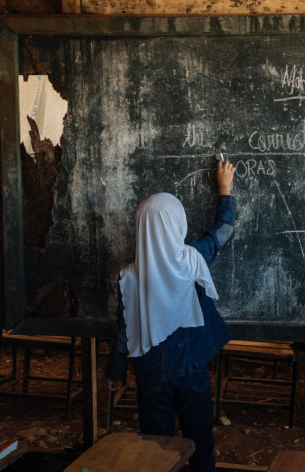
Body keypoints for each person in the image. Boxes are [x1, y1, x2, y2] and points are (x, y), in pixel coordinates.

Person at [105, 159, 237, 472]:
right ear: (177, 223)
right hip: (192, 369)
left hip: (151, 372)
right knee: (200, 443)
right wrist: (225, 189)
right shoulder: (193, 259)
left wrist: (115, 372)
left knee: (155, 450)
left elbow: (125, 333)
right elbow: (224, 230)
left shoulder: (129, 278)